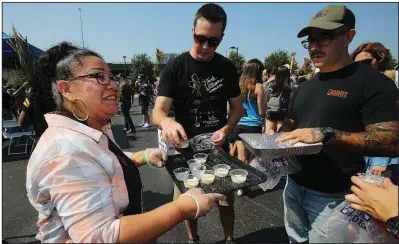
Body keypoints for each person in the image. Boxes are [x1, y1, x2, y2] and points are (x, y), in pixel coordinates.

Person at [26, 42, 226, 243]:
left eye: (111, 77)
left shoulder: (91, 128)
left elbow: (102, 163)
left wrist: (141, 156)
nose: (113, 84)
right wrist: (182, 207)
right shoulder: (66, 152)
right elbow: (99, 236)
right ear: (67, 89)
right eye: (98, 77)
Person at [274, 5, 398, 243]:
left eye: (325, 37)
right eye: (310, 41)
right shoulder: (305, 86)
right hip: (293, 186)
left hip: (336, 196)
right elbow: (291, 124)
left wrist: (327, 134)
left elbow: (391, 141)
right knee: (295, 239)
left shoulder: (373, 83)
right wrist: (274, 141)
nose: (314, 47)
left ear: (349, 37)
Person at [153, 3, 244, 243]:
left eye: (212, 41)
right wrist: (166, 122)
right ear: (192, 31)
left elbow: (238, 109)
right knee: (186, 204)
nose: (205, 46)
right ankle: (194, 240)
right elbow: (158, 111)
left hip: (217, 149)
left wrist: (225, 129)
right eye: (200, 38)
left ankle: (229, 239)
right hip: (184, 151)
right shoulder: (175, 67)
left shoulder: (227, 68)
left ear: (222, 38)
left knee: (226, 201)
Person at [351, 42, 398, 182]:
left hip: (379, 159)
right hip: (361, 154)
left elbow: (389, 128)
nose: (360, 67)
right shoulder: (358, 87)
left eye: (366, 62)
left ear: (379, 61)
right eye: (356, 64)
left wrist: (380, 161)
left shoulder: (388, 87)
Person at [228, 59, 265, 164]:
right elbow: (261, 112)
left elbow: (229, 108)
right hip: (253, 126)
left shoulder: (238, 85)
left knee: (241, 160)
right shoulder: (258, 86)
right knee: (253, 161)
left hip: (238, 125)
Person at [264, 65, 293, 134]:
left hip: (271, 113)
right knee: (280, 138)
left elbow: (266, 97)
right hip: (284, 114)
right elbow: (292, 101)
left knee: (268, 136)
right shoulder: (291, 86)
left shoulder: (271, 84)